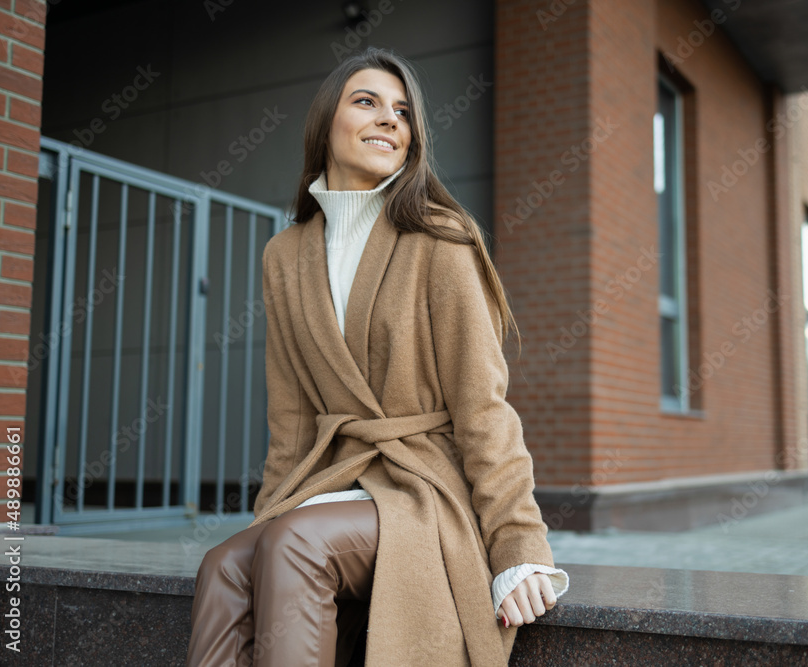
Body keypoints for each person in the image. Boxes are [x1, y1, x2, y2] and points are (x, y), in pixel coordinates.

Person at [185, 46, 569, 667]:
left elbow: (482, 405)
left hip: (425, 487)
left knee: (296, 543)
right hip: (336, 479)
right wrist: (270, 513)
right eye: (366, 101)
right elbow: (291, 418)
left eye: (403, 111)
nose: (390, 118)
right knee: (226, 565)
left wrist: (519, 543)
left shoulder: (440, 238)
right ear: (324, 124)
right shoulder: (284, 256)